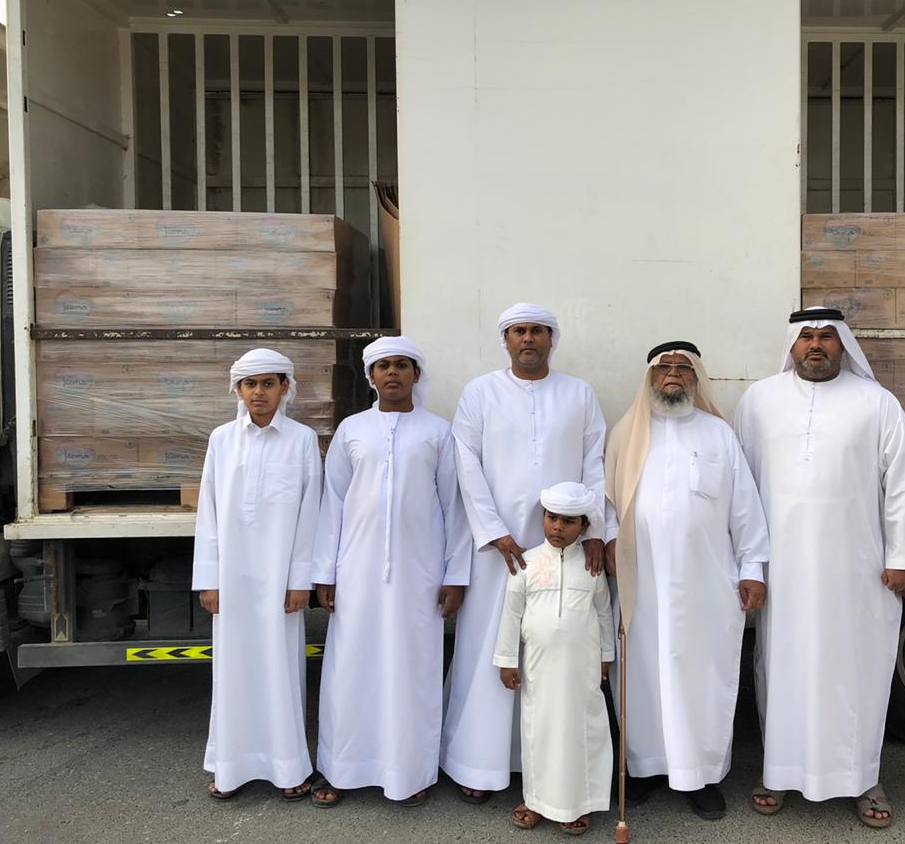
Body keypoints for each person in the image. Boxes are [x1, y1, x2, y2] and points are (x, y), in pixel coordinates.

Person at [733, 309, 905, 828]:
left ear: (843, 345)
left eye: (826, 336)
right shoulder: (758, 401)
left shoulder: (877, 402)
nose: (815, 345)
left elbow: (902, 482)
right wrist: (746, 561)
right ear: (792, 345)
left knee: (856, 672)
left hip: (857, 571)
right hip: (783, 571)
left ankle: (863, 779)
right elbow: (740, 486)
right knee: (781, 668)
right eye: (806, 337)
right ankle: (777, 772)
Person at [441, 302, 607, 803]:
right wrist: (494, 532)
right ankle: (479, 763)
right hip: (498, 548)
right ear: (506, 340)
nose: (528, 339)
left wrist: (594, 529)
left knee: (553, 647)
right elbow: (465, 463)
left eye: (537, 331)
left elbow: (594, 462)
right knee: (488, 643)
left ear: (552, 339)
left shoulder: (579, 393)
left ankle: (552, 772)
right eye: (519, 331)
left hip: (563, 544)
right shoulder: (480, 392)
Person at [603, 341, 769, 820]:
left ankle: (700, 776)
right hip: (643, 582)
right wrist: (610, 540)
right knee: (642, 674)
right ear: (650, 378)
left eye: (683, 368)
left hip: (707, 585)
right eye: (664, 368)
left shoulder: (718, 434)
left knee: (702, 675)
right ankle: (645, 769)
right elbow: (607, 499)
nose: (672, 375)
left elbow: (745, 509)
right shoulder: (626, 433)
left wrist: (753, 569)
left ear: (696, 378)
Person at [310, 337, 472, 808]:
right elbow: (333, 503)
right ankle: (341, 769)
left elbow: (455, 508)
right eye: (383, 366)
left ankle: (410, 773)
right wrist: (325, 572)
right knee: (349, 670)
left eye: (402, 365)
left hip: (419, 575)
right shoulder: (352, 430)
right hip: (356, 571)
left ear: (416, 374)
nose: (393, 373)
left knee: (412, 672)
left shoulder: (438, 432)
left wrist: (455, 575)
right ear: (370, 376)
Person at [191, 347, 322, 802]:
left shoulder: (302, 440)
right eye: (250, 384)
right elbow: (208, 513)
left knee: (280, 670)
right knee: (233, 670)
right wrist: (209, 579)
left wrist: (300, 580)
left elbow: (310, 514)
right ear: (238, 390)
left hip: (280, 580)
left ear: (285, 387)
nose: (259, 392)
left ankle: (288, 767)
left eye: (268, 383)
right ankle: (231, 768)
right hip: (232, 579)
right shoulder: (222, 440)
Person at [494, 482, 615, 836]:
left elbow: (604, 613)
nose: (558, 527)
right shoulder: (527, 563)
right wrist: (507, 660)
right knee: (539, 732)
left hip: (582, 670)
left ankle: (578, 805)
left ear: (584, 526)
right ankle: (535, 801)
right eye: (552, 518)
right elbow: (510, 615)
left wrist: (606, 654)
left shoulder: (591, 567)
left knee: (581, 732)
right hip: (539, 670)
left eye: (568, 521)